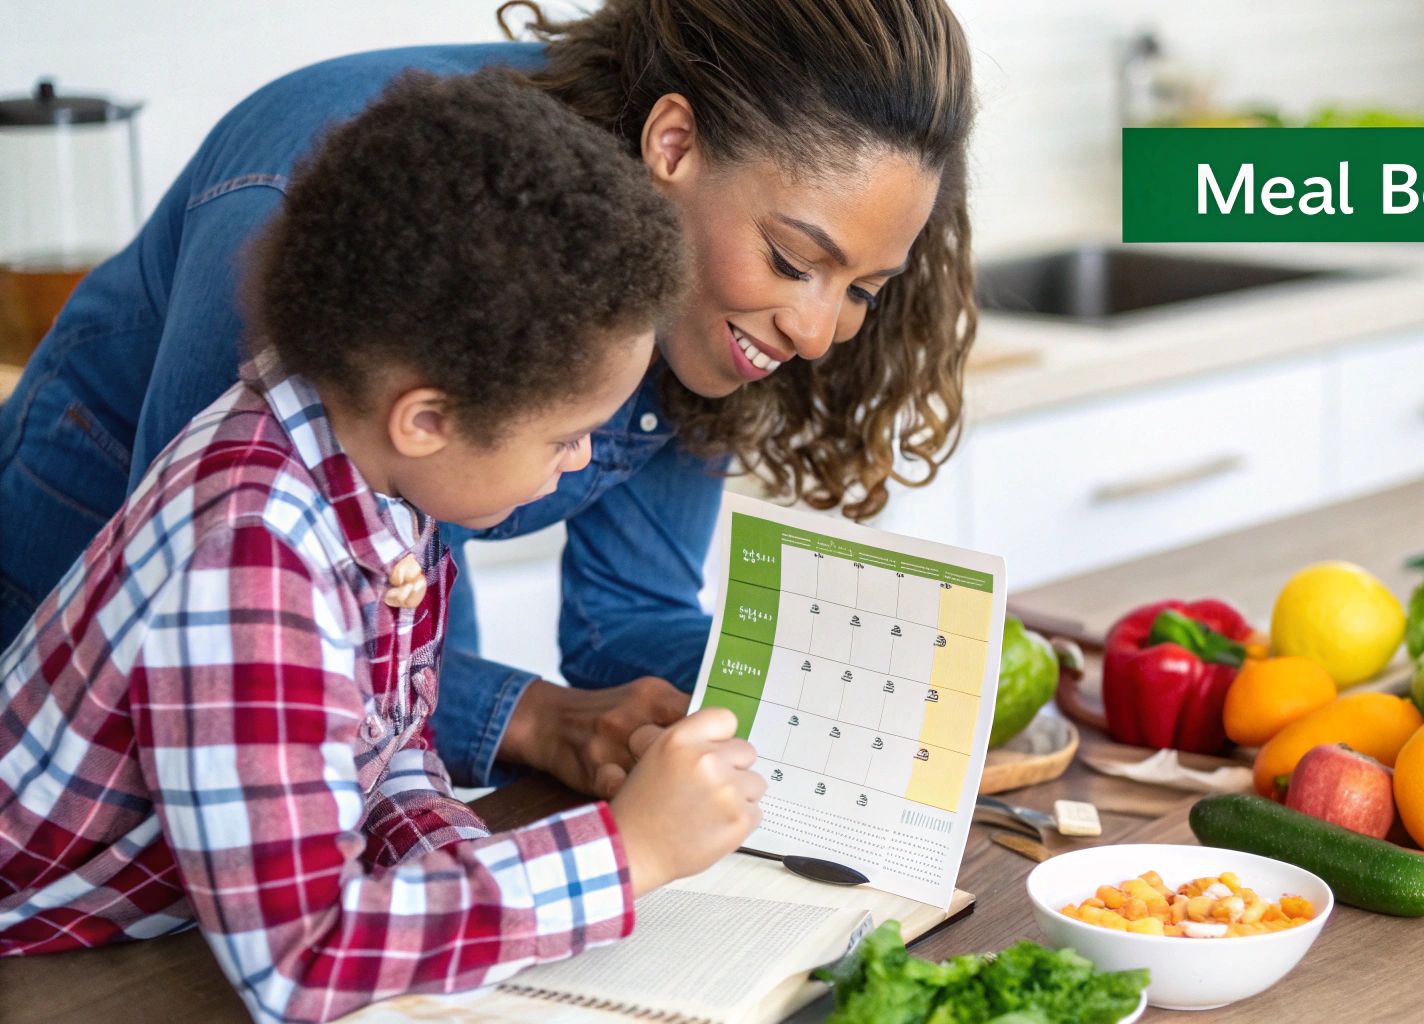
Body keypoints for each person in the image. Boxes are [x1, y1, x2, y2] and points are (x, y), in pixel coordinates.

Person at [0, 0, 978, 800]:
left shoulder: (694, 299)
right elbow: (223, 650)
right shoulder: (321, 198)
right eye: (793, 261)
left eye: (863, 290)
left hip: (380, 617)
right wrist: (536, 722)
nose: (817, 333)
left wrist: (836, 695)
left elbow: (627, 616)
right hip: (92, 638)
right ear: (674, 144)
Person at [0, 71, 763, 1023]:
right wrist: (626, 855)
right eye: (566, 437)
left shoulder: (370, 476)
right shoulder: (253, 557)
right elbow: (301, 959)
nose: (581, 464)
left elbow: (385, 755)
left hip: (160, 929)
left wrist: (473, 868)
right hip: (42, 960)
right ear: (427, 419)